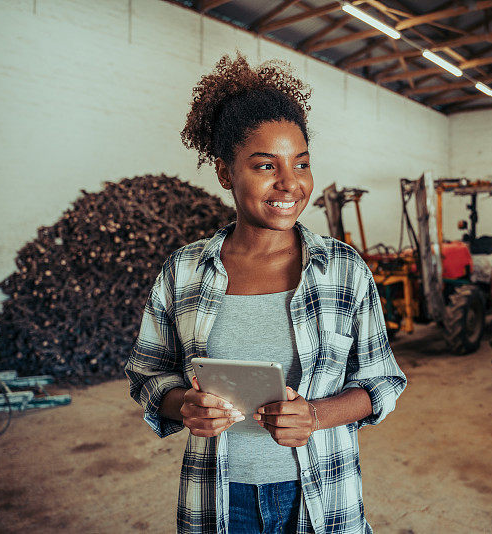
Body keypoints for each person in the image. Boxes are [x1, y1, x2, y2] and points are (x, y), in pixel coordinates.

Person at [125, 53, 407, 534]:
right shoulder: (184, 271)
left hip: (321, 493)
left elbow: (380, 382)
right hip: (218, 498)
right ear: (224, 172)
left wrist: (315, 415)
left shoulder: (342, 269)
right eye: (264, 165)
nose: (290, 183)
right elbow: (149, 373)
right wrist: (184, 406)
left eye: (301, 163)